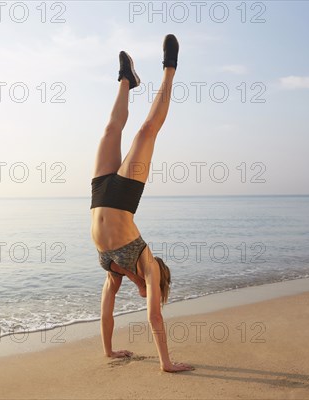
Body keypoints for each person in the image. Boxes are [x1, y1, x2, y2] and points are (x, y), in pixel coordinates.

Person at [90, 34, 194, 373]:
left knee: (109, 132)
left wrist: (108, 351)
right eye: (152, 289)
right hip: (122, 198)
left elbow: (106, 311)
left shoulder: (114, 273)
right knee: (146, 131)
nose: (146, 293)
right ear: (158, 280)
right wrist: (166, 363)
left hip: (100, 194)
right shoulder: (148, 265)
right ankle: (166, 69)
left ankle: (127, 80)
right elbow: (154, 314)